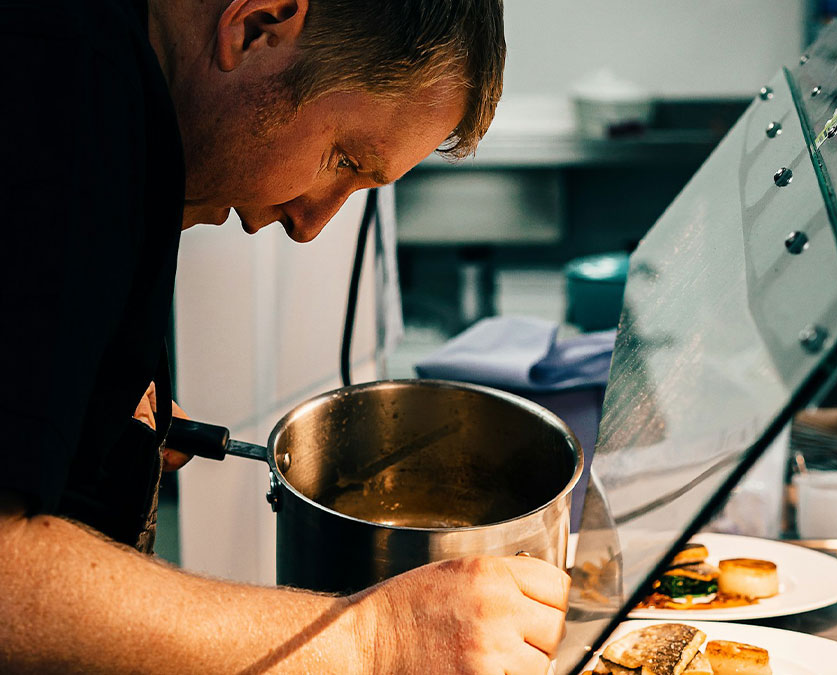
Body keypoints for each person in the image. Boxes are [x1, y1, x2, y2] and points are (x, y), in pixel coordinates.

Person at [0, 0, 570, 672]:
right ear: (258, 24)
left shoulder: (111, 90)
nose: (311, 222)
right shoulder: (67, 99)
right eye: (344, 158)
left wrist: (83, 409)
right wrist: (374, 639)